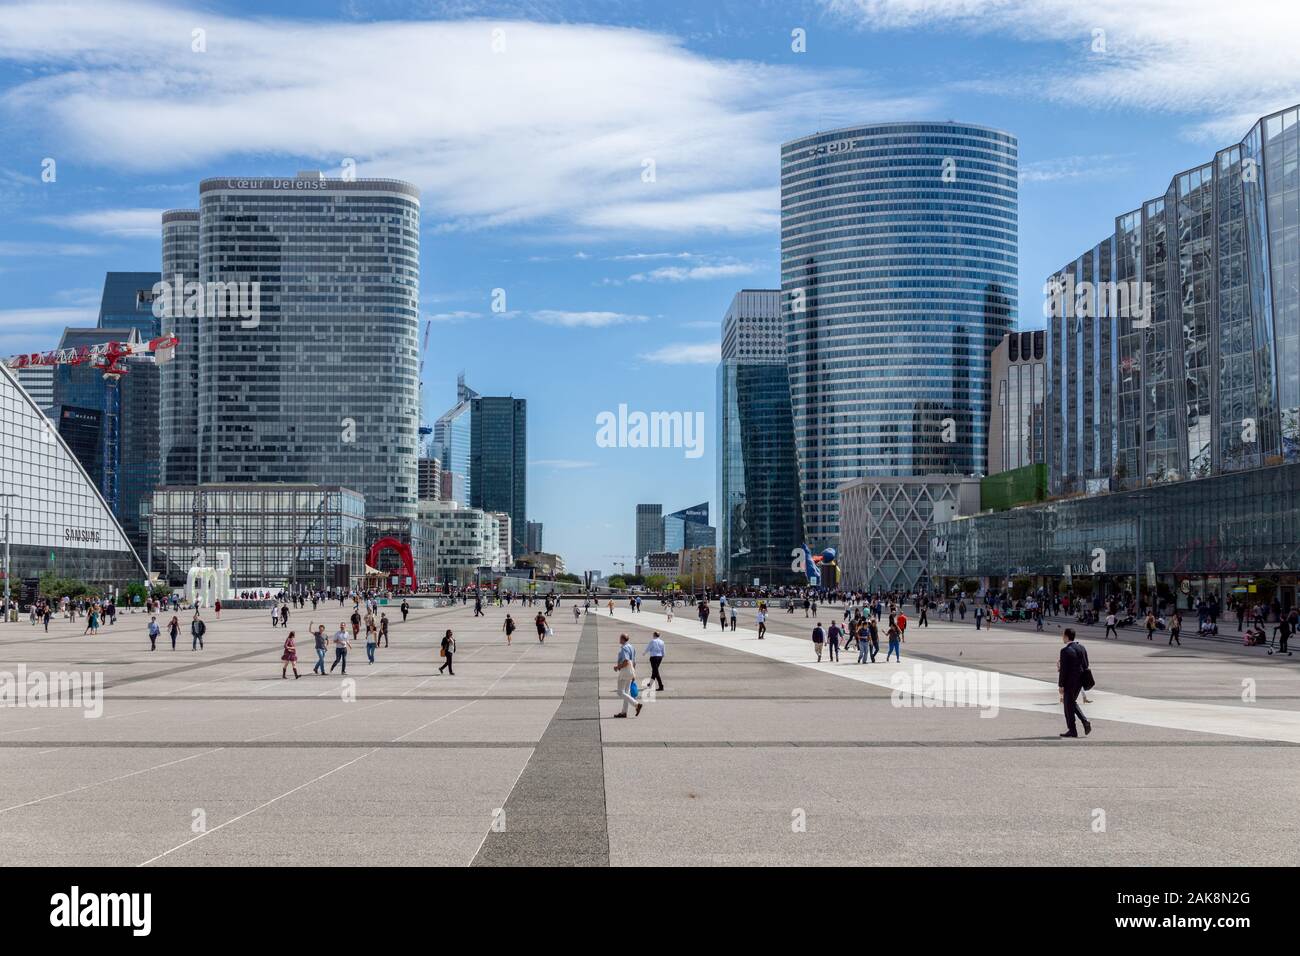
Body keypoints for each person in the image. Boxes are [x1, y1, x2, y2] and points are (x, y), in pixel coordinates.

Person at [1058, 627, 1093, 737]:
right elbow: (1086, 664)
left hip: (1069, 682)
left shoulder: (1064, 651)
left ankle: (1073, 730)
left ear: (1067, 636)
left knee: (1068, 705)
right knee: (1071, 703)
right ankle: (1084, 722)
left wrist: (1061, 685)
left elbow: (1064, 670)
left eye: (1063, 635)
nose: (1062, 637)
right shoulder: (1081, 648)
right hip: (1080, 681)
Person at [613, 633, 641, 717]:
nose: (619, 640)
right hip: (630, 670)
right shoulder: (631, 647)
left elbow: (626, 661)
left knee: (620, 692)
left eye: (620, 638)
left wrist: (617, 667)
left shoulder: (624, 648)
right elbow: (634, 662)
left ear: (622, 639)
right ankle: (624, 712)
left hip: (625, 670)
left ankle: (636, 704)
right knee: (626, 692)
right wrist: (633, 673)